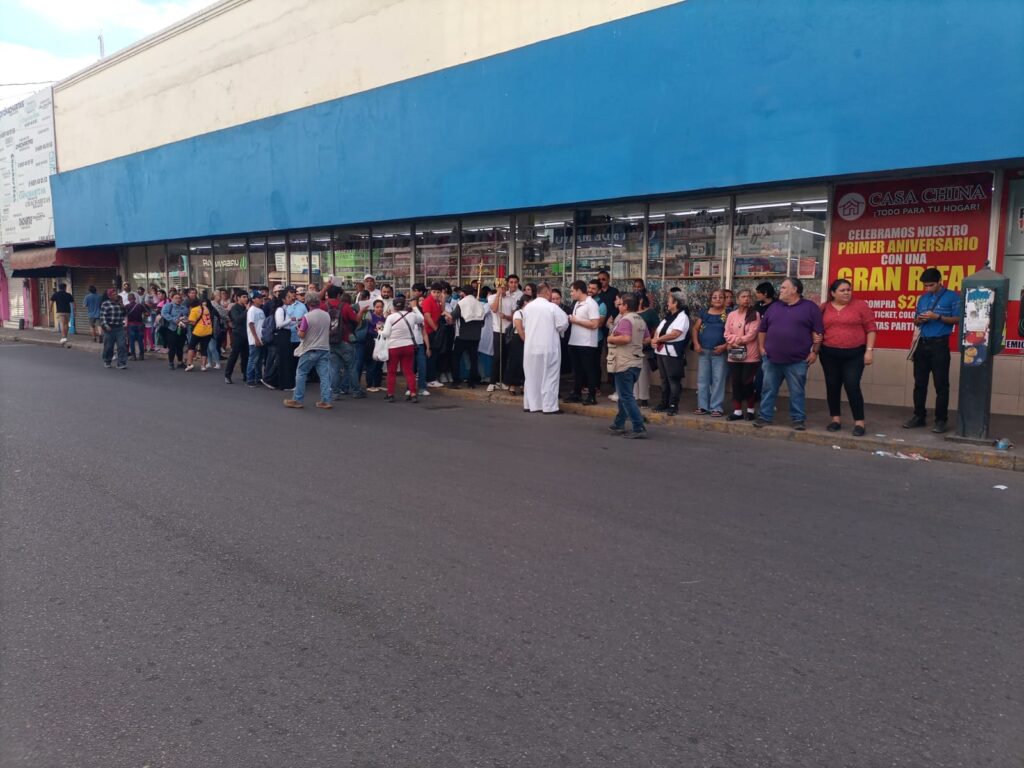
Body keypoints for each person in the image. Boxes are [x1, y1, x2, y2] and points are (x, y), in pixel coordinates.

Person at [754, 277, 824, 430]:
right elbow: (762, 329)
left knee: (797, 391)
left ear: (795, 290)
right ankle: (764, 417)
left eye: (784, 287)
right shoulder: (774, 307)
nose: (781, 290)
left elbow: (818, 331)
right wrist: (761, 348)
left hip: (797, 360)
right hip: (771, 358)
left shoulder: (810, 307)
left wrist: (814, 352)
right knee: (768, 389)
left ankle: (798, 419)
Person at [818, 278, 878, 436]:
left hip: (854, 354)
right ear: (833, 293)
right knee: (832, 385)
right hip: (829, 353)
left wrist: (869, 350)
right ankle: (835, 419)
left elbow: (871, 328)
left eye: (848, 290)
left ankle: (859, 423)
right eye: (842, 290)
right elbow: (816, 328)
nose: (846, 293)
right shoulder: (824, 307)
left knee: (852, 385)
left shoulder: (860, 306)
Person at [904, 266, 960, 434]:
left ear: (939, 282)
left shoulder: (952, 297)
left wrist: (938, 317)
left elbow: (958, 319)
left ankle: (941, 420)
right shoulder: (922, 299)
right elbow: (915, 321)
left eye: (930, 285)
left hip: (940, 345)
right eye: (925, 286)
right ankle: (918, 416)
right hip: (923, 343)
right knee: (919, 383)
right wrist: (919, 320)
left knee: (941, 384)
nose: (927, 288)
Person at [606, 294, 650, 438]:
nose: (618, 306)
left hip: (624, 362)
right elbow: (647, 339)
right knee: (624, 395)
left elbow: (625, 338)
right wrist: (635, 344)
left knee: (626, 396)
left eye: (620, 304)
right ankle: (619, 423)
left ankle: (638, 427)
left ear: (625, 306)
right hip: (636, 362)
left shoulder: (626, 320)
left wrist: (611, 338)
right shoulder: (640, 320)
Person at [521, 283, 569, 414]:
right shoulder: (552, 307)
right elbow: (563, 324)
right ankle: (549, 406)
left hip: (531, 348)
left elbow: (524, 325)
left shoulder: (528, 307)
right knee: (550, 376)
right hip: (549, 347)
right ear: (548, 292)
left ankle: (531, 404)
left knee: (531, 376)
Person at [284, 293, 333, 409]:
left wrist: (298, 329)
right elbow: (329, 330)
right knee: (325, 376)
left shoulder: (307, 317)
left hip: (310, 348)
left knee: (301, 373)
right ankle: (326, 400)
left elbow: (302, 334)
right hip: (324, 347)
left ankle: (297, 399)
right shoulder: (326, 315)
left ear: (307, 303)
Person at [724, 289, 762, 421]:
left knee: (747, 383)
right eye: (743, 296)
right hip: (734, 355)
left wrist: (737, 340)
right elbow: (726, 333)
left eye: (748, 297)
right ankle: (737, 410)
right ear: (738, 299)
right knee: (735, 383)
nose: (746, 299)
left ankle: (751, 410)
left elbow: (752, 334)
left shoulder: (754, 314)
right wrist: (734, 341)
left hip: (750, 356)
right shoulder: (731, 315)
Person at [691, 289, 729, 417]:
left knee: (718, 380)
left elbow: (734, 333)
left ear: (725, 300)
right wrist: (696, 343)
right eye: (714, 297)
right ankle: (703, 406)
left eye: (720, 297)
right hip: (704, 351)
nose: (717, 299)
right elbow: (695, 329)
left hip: (720, 352)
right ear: (711, 300)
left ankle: (716, 408)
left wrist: (725, 346)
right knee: (703, 380)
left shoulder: (729, 314)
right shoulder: (704, 313)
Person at [651, 292, 689, 415]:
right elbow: (658, 330)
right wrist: (655, 339)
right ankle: (664, 402)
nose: (667, 302)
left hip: (673, 352)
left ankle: (673, 404)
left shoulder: (682, 316)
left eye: (669, 300)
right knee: (663, 379)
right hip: (661, 351)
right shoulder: (668, 316)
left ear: (676, 302)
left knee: (673, 379)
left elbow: (675, 333)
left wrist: (658, 339)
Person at [380, 295, 423, 402]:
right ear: (404, 305)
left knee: (392, 371)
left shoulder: (390, 317)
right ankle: (413, 393)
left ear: (394, 306)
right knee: (409, 371)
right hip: (408, 346)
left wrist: (379, 331)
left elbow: (386, 334)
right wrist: (414, 307)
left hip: (394, 347)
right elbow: (421, 318)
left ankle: (390, 394)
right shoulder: (411, 315)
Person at [566, 280, 601, 405]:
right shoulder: (577, 303)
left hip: (586, 343)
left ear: (579, 291)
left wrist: (577, 320)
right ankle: (576, 393)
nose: (571, 293)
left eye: (572, 291)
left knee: (589, 369)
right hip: (575, 341)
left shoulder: (591, 304)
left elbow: (595, 324)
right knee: (577, 369)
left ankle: (592, 395)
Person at [325, 287, 362, 400]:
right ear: (338, 295)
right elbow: (355, 320)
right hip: (345, 340)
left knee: (334, 368)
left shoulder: (323, 306)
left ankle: (335, 393)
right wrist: (361, 311)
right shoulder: (345, 306)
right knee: (351, 367)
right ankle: (356, 391)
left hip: (329, 341)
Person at [488, 274, 523, 391]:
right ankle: (493, 381)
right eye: (501, 287)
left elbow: (514, 315)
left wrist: (506, 317)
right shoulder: (492, 297)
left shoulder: (511, 299)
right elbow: (493, 309)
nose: (503, 289)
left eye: (504, 287)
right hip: (497, 330)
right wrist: (498, 295)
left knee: (506, 356)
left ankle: (503, 380)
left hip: (508, 331)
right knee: (497, 356)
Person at [447, 286, 485, 388]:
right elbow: (483, 322)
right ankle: (471, 382)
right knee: (474, 359)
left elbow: (452, 317)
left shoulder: (462, 303)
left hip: (463, 336)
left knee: (455, 358)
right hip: (476, 337)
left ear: (463, 293)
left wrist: (445, 313)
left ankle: (456, 381)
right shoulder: (479, 303)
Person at [502, 293, 531, 395]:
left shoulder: (531, 313)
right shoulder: (518, 313)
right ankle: (512, 386)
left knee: (526, 363)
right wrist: (526, 340)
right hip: (518, 340)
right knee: (516, 363)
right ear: (525, 302)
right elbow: (519, 329)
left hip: (528, 339)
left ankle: (524, 385)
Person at [420, 282, 445, 387]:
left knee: (434, 356)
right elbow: (427, 317)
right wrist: (435, 329)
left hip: (435, 331)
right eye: (434, 292)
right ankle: (430, 379)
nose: (436, 294)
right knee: (430, 355)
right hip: (429, 332)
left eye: (438, 292)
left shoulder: (436, 301)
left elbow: (442, 311)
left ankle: (431, 378)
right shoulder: (427, 301)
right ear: (431, 291)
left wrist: (442, 300)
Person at [224, 292, 250, 384]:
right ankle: (227, 375)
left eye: (246, 297)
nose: (246, 299)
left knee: (245, 356)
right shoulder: (235, 308)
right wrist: (246, 311)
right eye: (243, 297)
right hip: (238, 334)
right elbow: (237, 319)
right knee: (234, 355)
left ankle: (245, 374)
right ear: (238, 298)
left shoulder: (246, 307)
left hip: (246, 334)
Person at [99, 289, 128, 369]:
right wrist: (105, 325)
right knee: (109, 347)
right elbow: (102, 316)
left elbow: (125, 313)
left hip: (119, 328)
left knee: (122, 345)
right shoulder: (105, 304)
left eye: (116, 294)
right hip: (109, 329)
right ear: (109, 296)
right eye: (114, 294)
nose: (116, 296)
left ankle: (121, 363)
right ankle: (107, 360)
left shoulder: (119, 303)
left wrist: (122, 306)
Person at [184, 299, 214, 371]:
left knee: (191, 347)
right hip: (208, 330)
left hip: (198, 331)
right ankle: (203, 366)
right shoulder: (205, 308)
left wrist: (184, 321)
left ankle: (189, 364)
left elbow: (193, 322)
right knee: (204, 348)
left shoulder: (194, 310)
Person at [161, 292, 189, 369]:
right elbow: (164, 314)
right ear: (172, 299)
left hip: (182, 328)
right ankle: (171, 362)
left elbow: (187, 316)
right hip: (171, 329)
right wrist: (175, 320)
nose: (178, 300)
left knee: (180, 346)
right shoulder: (168, 306)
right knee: (172, 346)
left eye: (179, 298)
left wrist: (185, 320)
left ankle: (180, 362)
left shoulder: (184, 307)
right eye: (176, 298)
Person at [364, 299, 387, 391]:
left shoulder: (383, 318)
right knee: (371, 364)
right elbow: (369, 330)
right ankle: (370, 385)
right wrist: (377, 331)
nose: (380, 309)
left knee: (379, 363)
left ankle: (377, 384)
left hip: (381, 342)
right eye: (377, 307)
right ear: (374, 308)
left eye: (381, 307)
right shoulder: (370, 317)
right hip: (372, 342)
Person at [245, 293, 267, 387]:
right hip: (255, 340)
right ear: (253, 299)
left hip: (262, 339)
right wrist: (256, 339)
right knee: (253, 360)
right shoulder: (252, 310)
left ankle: (258, 378)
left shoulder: (260, 310)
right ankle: (250, 379)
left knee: (259, 360)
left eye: (262, 298)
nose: (261, 299)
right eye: (259, 298)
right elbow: (251, 324)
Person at [124, 292, 147, 361]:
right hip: (140, 325)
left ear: (128, 299)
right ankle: (141, 355)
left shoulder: (126, 306)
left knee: (131, 341)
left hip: (131, 325)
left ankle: (133, 356)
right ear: (134, 298)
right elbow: (147, 314)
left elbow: (124, 315)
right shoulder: (140, 305)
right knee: (140, 340)